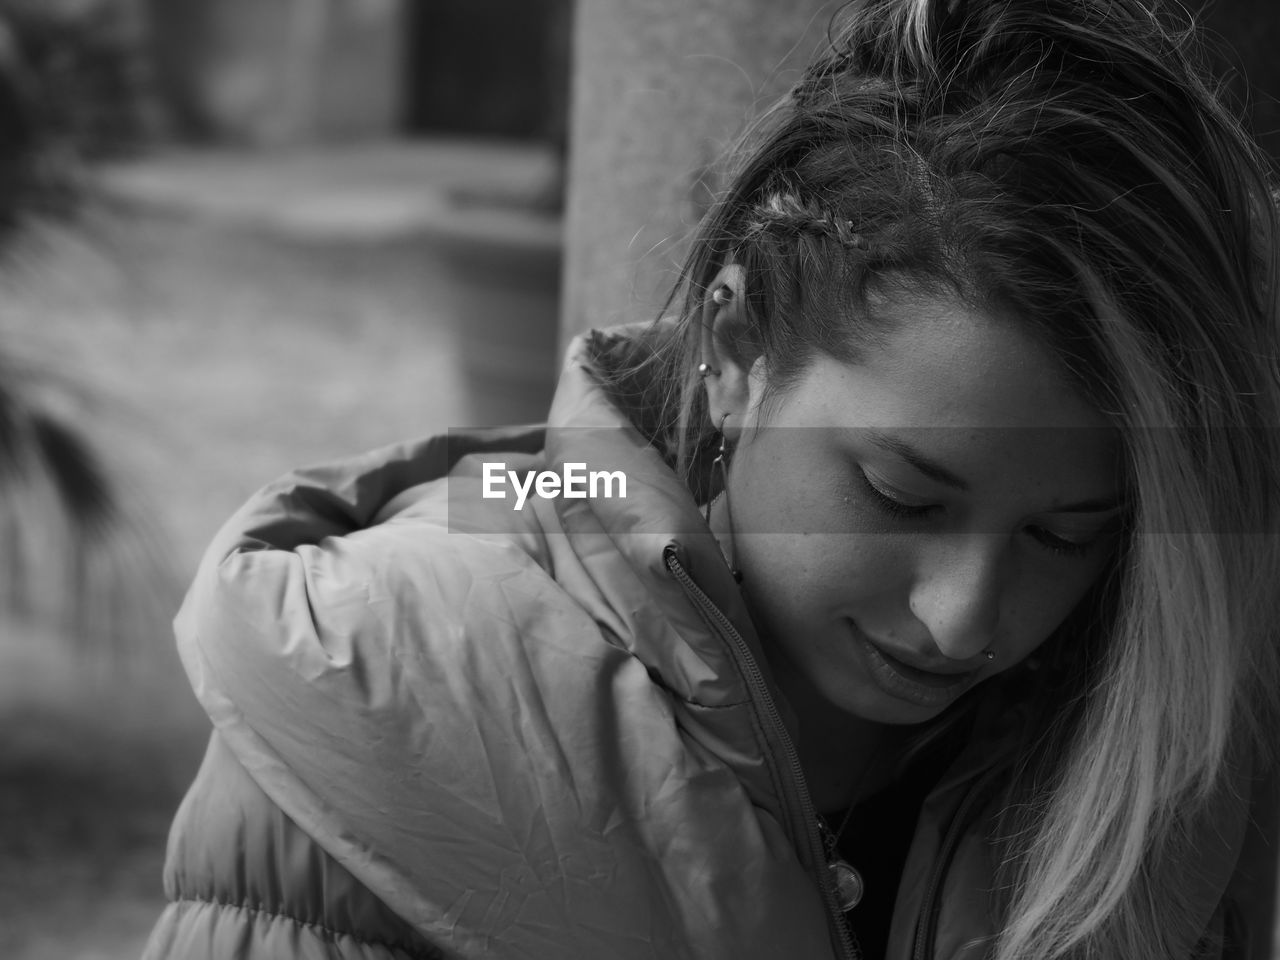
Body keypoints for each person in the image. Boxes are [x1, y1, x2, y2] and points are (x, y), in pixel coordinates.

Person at [142, 0, 1280, 957]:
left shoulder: (1163, 747)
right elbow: (533, 505)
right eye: (902, 496)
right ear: (735, 357)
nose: (965, 619)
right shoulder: (379, 669)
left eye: (1065, 535)